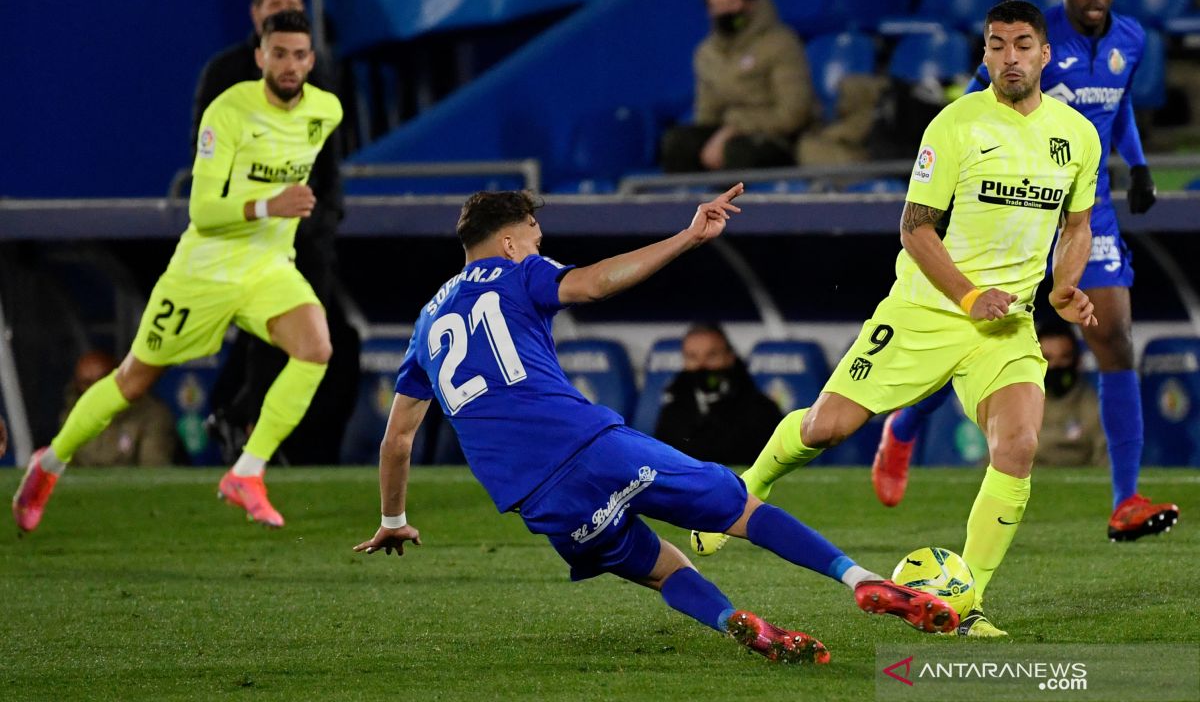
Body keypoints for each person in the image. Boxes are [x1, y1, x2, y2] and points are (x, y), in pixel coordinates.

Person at [352, 186, 958, 664]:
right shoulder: (519, 274)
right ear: (510, 242)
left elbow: (398, 438)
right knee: (738, 509)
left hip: (534, 496)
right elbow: (590, 286)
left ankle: (735, 623)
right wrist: (687, 238)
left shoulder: (426, 328)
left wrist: (393, 519)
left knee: (660, 565)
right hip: (586, 444)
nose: (540, 247)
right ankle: (860, 578)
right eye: (536, 237)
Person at [693, 0, 1101, 637]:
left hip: (1007, 325)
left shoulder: (1077, 135)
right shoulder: (955, 125)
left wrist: (1068, 285)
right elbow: (914, 231)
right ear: (985, 54)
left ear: (1045, 54)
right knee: (827, 428)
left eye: (1023, 44)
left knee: (1017, 447)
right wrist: (968, 297)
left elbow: (1077, 225)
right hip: (925, 312)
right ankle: (743, 492)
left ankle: (963, 606)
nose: (1010, 57)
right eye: (997, 45)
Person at [870, 0, 1179, 542]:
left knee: (1113, 336)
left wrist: (1136, 165)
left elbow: (1119, 107)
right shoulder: (1034, 45)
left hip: (1087, 210)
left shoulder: (1133, 39)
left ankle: (1125, 501)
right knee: (972, 341)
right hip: (1012, 214)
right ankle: (904, 427)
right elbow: (976, 109)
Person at [12, 10, 342, 532]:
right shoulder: (227, 112)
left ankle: (246, 473)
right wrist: (267, 206)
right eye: (278, 53)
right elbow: (202, 210)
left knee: (317, 347)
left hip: (267, 267)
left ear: (311, 59)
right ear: (260, 56)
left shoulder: (326, 111)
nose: (289, 64)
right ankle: (49, 463)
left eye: (300, 55)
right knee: (133, 380)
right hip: (205, 271)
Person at [193, 0, 359, 466]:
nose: (286, 15)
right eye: (275, 8)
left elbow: (328, 157)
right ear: (255, 16)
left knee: (315, 338)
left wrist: (326, 216)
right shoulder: (226, 76)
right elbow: (206, 159)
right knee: (274, 331)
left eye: (295, 7)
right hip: (244, 230)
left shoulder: (316, 72)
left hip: (306, 234)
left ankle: (248, 425)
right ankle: (247, 425)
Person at [660, 0, 816, 173]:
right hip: (728, 134)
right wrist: (711, 141)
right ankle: (686, 203)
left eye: (732, 2)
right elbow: (706, 115)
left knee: (737, 150)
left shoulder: (781, 43)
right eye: (718, 5)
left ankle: (730, 204)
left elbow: (793, 114)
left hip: (778, 138)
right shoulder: (707, 53)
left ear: (750, 3)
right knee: (679, 142)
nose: (725, 11)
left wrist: (733, 129)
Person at [654, 323, 781, 465]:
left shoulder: (761, 409)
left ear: (730, 357)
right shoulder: (672, 409)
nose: (701, 365)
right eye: (692, 357)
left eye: (711, 356)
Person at [61, 350, 177, 467]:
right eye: (86, 383)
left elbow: (154, 470)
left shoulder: (152, 415)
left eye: (102, 379)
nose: (94, 389)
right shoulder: (71, 417)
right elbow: (66, 470)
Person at [1034, 320, 1106, 468]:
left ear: (1077, 361)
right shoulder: (1018, 406)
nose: (1055, 367)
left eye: (1064, 358)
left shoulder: (1095, 408)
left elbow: (1107, 467)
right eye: (1047, 359)